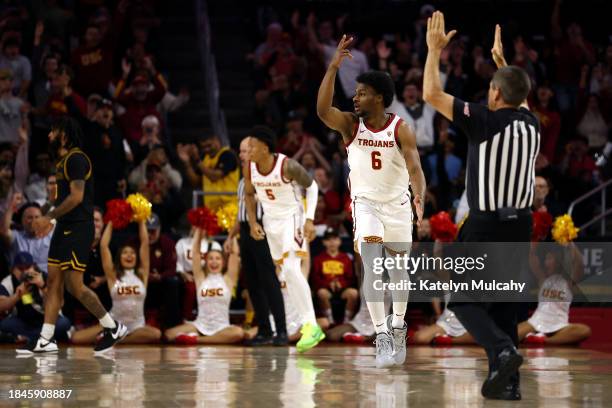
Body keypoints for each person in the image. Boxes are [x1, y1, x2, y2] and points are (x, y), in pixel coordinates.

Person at [423, 14, 539, 400]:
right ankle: (508, 384)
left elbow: (430, 95)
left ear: (493, 93)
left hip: (485, 225)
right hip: (520, 227)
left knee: (463, 299)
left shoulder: (484, 120)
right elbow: (521, 97)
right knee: (505, 306)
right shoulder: (531, 124)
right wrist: (505, 67)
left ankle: (502, 351)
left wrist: (434, 51)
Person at [316, 36, 426, 367]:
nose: (356, 97)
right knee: (374, 265)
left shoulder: (400, 129)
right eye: (356, 92)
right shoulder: (351, 125)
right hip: (365, 205)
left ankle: (398, 326)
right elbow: (322, 110)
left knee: (397, 270)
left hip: (397, 205)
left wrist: (419, 193)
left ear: (379, 98)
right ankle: (380, 335)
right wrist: (333, 67)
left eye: (362, 93)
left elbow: (415, 166)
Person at [19, 117, 128, 354]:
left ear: (64, 135)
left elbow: (77, 197)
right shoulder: (62, 162)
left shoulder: (77, 158)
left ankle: (113, 326)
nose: (49, 136)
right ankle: (46, 338)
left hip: (78, 227)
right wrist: (51, 219)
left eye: (53, 131)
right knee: (54, 282)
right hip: (64, 227)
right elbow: (62, 200)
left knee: (75, 287)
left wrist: (49, 217)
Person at [244, 126, 325, 352]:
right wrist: (252, 222)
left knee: (290, 269)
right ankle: (309, 324)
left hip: (293, 218)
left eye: (252, 146)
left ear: (265, 148)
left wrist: (309, 220)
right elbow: (249, 194)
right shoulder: (249, 167)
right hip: (271, 223)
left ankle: (311, 324)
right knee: (288, 275)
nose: (248, 150)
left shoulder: (287, 165)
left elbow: (313, 187)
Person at [227, 135, 287, 346]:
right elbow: (241, 210)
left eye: (246, 150)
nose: (243, 154)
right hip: (245, 229)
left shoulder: (265, 175)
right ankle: (264, 330)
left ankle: (281, 331)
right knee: (252, 282)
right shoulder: (243, 178)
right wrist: (231, 235)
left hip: (262, 227)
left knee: (269, 280)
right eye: (242, 151)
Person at [71, 220, 161, 345]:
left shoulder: (142, 274)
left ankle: (115, 339)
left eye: (132, 253)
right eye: (125, 253)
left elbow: (145, 243)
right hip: (114, 323)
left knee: (156, 334)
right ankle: (116, 335)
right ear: (119, 257)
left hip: (136, 327)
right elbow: (103, 246)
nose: (129, 256)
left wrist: (141, 220)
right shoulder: (113, 276)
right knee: (76, 338)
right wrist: (112, 221)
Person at [164, 228, 244, 344]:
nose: (214, 262)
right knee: (168, 334)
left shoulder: (228, 279)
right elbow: (195, 252)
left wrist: (231, 234)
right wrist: (199, 229)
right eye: (210, 259)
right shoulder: (200, 278)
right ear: (205, 262)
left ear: (223, 262)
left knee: (238, 333)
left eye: (217, 258)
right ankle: (209, 339)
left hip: (222, 327)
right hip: (200, 325)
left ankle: (196, 340)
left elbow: (234, 254)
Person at [519, 243, 591, 346]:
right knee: (511, 333)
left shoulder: (569, 282)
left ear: (558, 262)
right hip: (537, 321)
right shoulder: (542, 279)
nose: (545, 262)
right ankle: (545, 339)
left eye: (549, 259)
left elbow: (579, 264)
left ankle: (542, 340)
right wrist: (535, 240)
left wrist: (569, 241)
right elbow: (532, 258)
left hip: (559, 324)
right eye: (545, 259)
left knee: (585, 330)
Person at [0, 252, 70, 342]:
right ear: (13, 269)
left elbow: (60, 303)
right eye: (20, 269)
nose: (25, 272)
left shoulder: (46, 278)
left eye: (28, 267)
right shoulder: (8, 281)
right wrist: (16, 296)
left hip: (47, 319)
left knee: (64, 323)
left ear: (34, 267)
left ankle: (28, 338)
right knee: (5, 324)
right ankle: (43, 338)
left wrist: (43, 286)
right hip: (24, 321)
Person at [312, 227, 358, 325]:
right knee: (321, 293)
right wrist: (329, 284)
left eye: (335, 239)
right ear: (324, 242)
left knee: (353, 293)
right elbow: (315, 279)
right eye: (328, 240)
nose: (332, 242)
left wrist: (341, 284)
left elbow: (351, 278)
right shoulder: (318, 259)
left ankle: (347, 321)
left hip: (343, 289)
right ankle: (330, 321)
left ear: (340, 241)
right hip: (326, 289)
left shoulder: (346, 258)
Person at [1, 195, 54, 273]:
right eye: (30, 217)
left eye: (37, 217)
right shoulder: (16, 237)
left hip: (46, 281)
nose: (34, 221)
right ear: (22, 221)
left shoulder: (51, 236)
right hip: (20, 282)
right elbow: (4, 231)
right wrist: (12, 206)